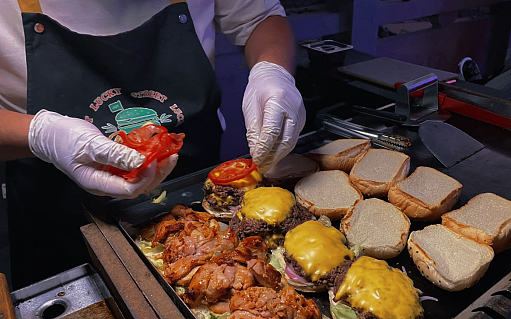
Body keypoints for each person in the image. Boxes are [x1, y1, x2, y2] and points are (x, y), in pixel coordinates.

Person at [0, 0, 306, 288]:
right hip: (55, 218)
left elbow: (260, 17)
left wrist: (272, 71)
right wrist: (41, 134)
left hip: (197, 199)